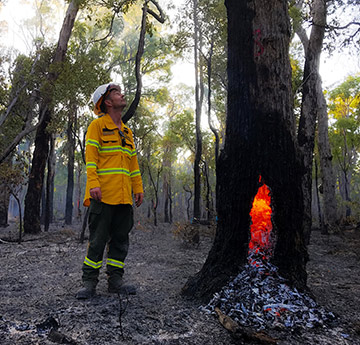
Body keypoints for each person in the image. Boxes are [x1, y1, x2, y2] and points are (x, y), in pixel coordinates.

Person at [76, 83, 144, 299]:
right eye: (116, 93)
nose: (122, 95)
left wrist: (138, 188)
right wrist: (93, 183)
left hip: (124, 198)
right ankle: (89, 282)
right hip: (102, 195)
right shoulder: (97, 126)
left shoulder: (127, 131)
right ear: (107, 102)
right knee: (97, 240)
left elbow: (133, 163)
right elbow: (91, 158)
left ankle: (115, 281)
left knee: (120, 241)